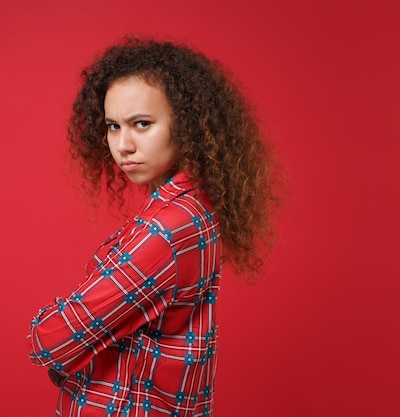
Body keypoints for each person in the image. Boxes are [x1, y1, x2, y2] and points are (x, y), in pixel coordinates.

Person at [26, 37, 278, 417]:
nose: (122, 144)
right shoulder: (198, 207)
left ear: (187, 125)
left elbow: (50, 341)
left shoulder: (167, 230)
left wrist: (61, 347)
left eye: (141, 124)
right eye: (112, 126)